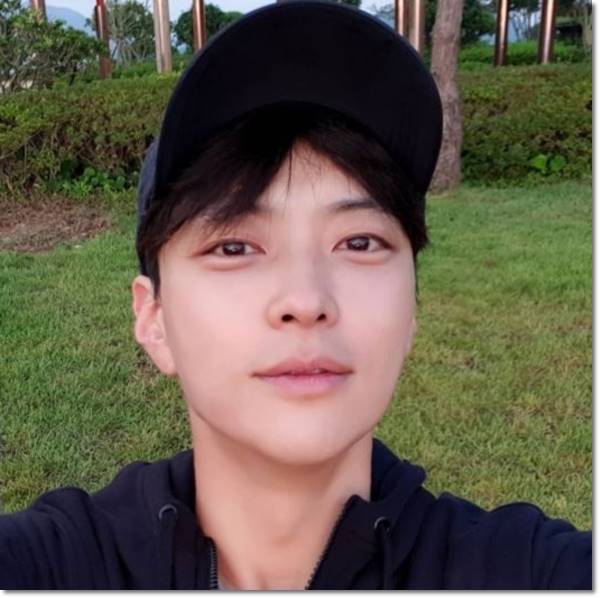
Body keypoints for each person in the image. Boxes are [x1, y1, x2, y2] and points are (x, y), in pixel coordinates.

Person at [0, 0, 591, 590]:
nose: (306, 300)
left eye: (359, 242)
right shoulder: (57, 566)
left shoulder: (525, 571)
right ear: (154, 320)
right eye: (234, 246)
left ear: (411, 308)